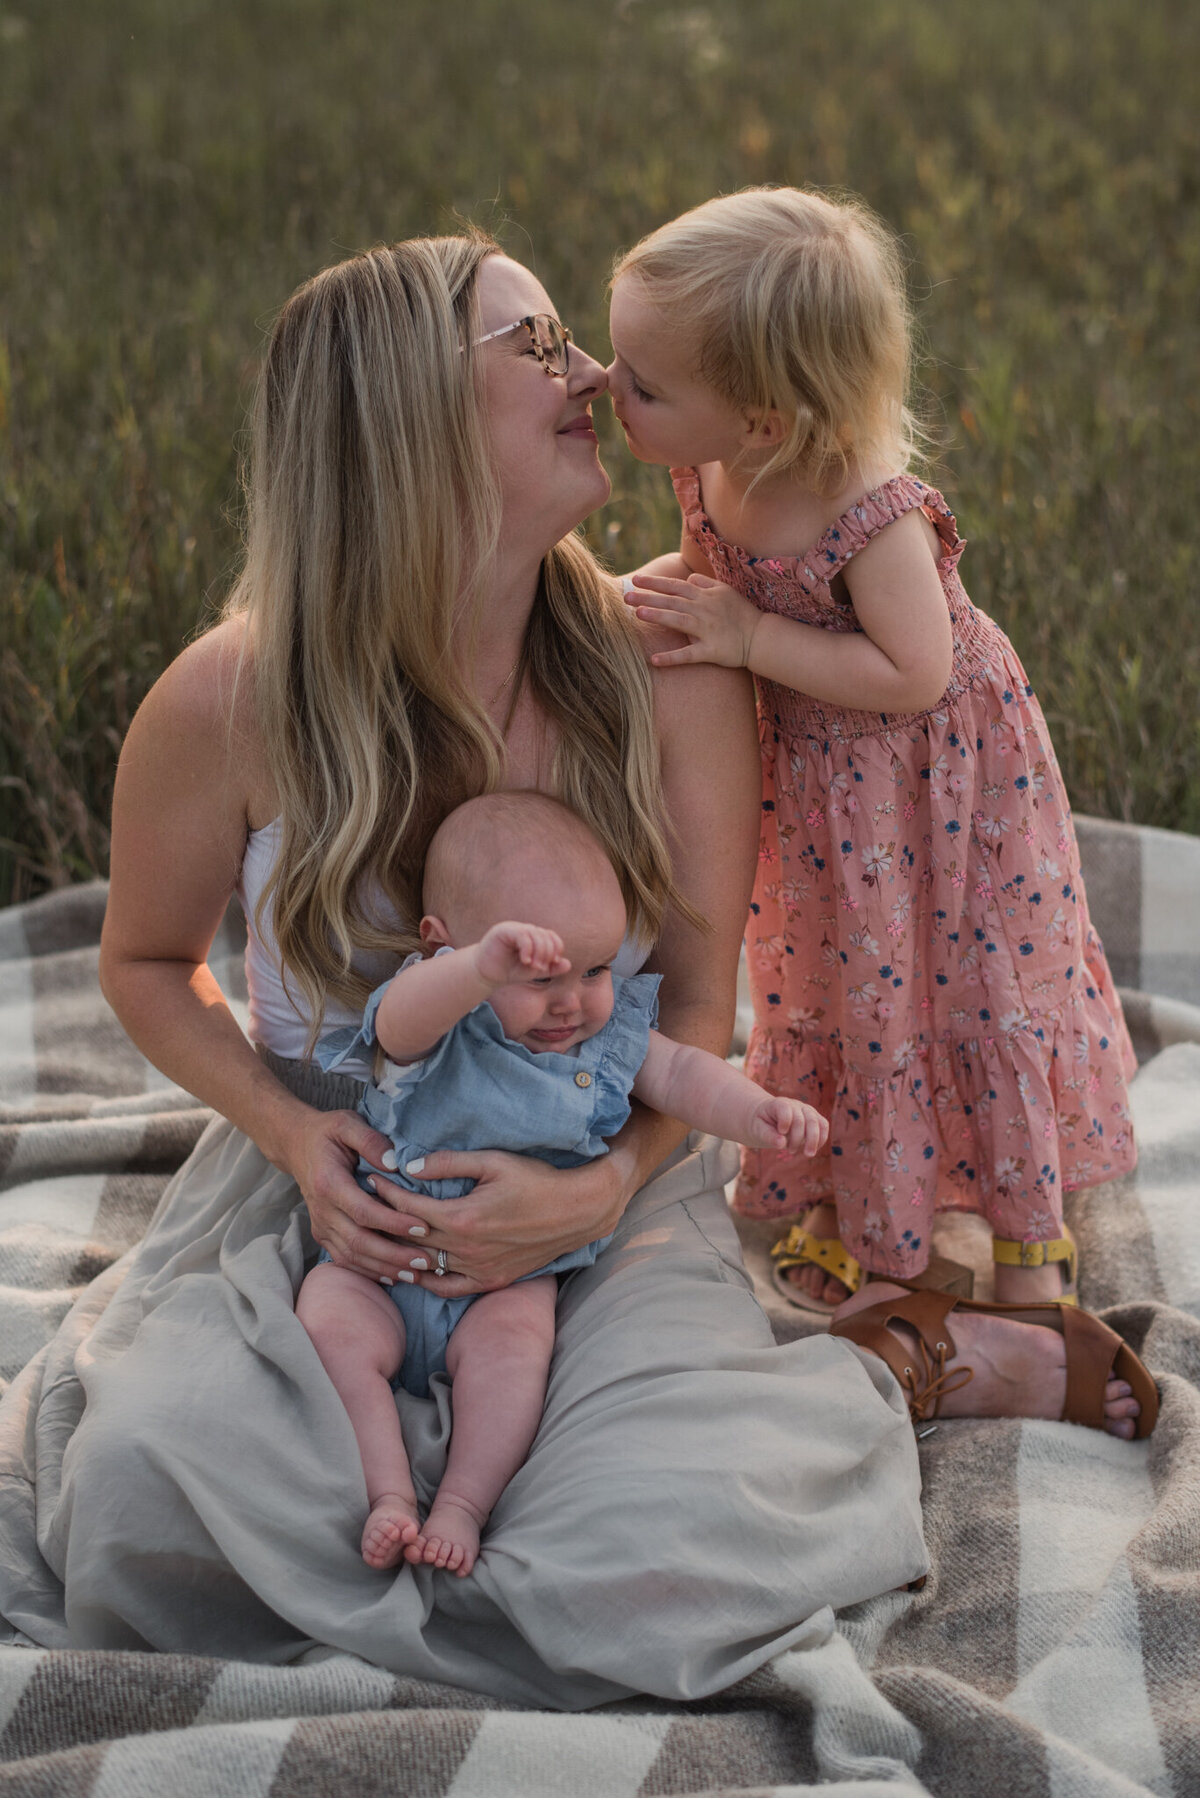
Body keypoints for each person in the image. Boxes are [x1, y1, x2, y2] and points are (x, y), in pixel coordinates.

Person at [0, 230, 1151, 1711]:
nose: (592, 375)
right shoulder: (231, 695)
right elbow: (148, 960)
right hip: (329, 1199)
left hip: (610, 1187)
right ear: (406, 418)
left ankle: (900, 1354)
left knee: (677, 1559)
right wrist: (296, 1138)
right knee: (150, 1516)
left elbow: (692, 1011)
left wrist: (601, 1187)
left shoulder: (668, 658)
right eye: (537, 347)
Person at [609, 186, 1138, 1321]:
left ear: (761, 418)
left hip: (938, 789)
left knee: (969, 979)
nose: (610, 391)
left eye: (643, 383)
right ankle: (863, 1193)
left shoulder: (870, 511)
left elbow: (918, 673)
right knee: (844, 974)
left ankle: (1025, 1237)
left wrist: (752, 636)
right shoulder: (711, 465)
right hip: (826, 794)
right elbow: (715, 568)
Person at [299, 790, 827, 1577]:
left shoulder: (603, 1037)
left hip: (509, 1276)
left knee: (516, 1354)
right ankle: (387, 1491)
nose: (571, 1000)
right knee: (328, 1319)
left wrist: (759, 1114)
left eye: (595, 969)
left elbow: (683, 1071)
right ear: (444, 948)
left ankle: (463, 1504)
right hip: (380, 1262)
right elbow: (395, 1027)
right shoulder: (440, 1020)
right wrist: (477, 973)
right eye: (535, 975)